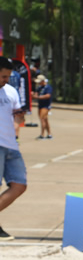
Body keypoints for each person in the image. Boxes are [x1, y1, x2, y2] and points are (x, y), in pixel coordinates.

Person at [0, 57, 28, 240]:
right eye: (3, 76)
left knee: (19, 185)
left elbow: (18, 118)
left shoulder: (11, 91)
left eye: (8, 76)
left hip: (11, 144)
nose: (6, 80)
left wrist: (20, 117)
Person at [32, 75, 53, 139]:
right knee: (45, 120)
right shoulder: (39, 87)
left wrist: (38, 97)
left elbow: (48, 96)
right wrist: (33, 95)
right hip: (40, 105)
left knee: (42, 119)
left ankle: (42, 134)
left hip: (46, 105)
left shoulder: (48, 87)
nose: (38, 83)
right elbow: (36, 94)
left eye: (39, 82)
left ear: (43, 81)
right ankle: (49, 134)